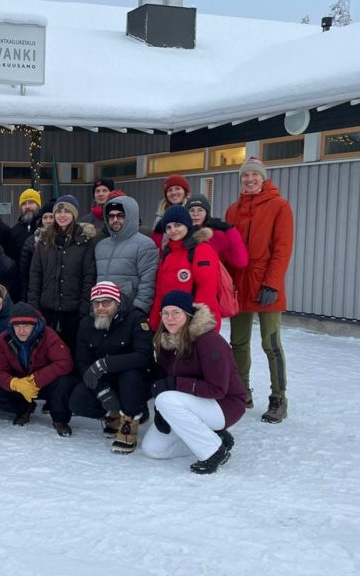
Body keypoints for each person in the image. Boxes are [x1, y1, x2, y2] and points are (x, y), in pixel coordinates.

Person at [141, 291, 246, 474]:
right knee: (153, 449)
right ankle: (214, 438)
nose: (170, 318)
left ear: (188, 314)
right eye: (165, 313)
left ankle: (213, 452)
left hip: (225, 405)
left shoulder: (209, 341)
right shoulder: (168, 341)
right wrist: (160, 410)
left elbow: (218, 389)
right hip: (192, 403)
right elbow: (164, 379)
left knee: (167, 399)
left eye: (176, 313)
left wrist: (173, 386)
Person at [225, 156, 294, 423]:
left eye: (254, 176)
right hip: (240, 285)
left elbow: (282, 249)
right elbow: (230, 250)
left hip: (266, 285)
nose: (250, 180)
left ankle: (278, 397)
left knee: (271, 343)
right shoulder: (233, 210)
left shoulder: (280, 207)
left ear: (263, 179)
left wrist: (272, 284)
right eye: (245, 176)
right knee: (238, 343)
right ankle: (242, 392)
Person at [68, 282, 153, 453]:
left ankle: (130, 420)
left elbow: (144, 356)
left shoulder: (136, 319)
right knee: (77, 401)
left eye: (106, 302)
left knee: (131, 377)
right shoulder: (86, 324)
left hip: (133, 378)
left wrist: (105, 364)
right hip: (105, 379)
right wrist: (102, 390)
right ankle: (114, 414)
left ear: (118, 302)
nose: (101, 308)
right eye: (96, 303)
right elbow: (82, 362)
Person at [0, 302, 76, 436]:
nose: (22, 331)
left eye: (26, 326)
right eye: (17, 326)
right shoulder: (3, 339)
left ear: (34, 324)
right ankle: (24, 409)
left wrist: (35, 380)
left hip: (45, 383)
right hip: (20, 386)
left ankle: (59, 419)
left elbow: (65, 362)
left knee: (64, 382)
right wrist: (15, 383)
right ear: (11, 325)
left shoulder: (48, 334)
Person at [28, 194, 97, 355]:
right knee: (47, 351)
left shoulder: (84, 242)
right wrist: (34, 306)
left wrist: (84, 307)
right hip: (47, 309)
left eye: (67, 211)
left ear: (74, 214)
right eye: (59, 212)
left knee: (72, 351)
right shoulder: (44, 240)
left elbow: (89, 276)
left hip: (73, 311)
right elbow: (35, 275)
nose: (62, 215)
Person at [149, 205, 221, 332]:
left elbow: (207, 291)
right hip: (170, 323)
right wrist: (154, 323)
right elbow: (160, 292)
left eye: (177, 225)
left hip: (193, 324)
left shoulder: (201, 250)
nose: (173, 230)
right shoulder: (168, 253)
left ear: (187, 225)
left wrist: (197, 327)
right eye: (168, 227)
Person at [94, 194, 158, 315]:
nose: (115, 220)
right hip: (103, 310)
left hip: (129, 311)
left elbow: (148, 282)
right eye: (111, 216)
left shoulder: (145, 244)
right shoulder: (100, 246)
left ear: (131, 217)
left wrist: (139, 310)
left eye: (120, 216)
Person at [185, 193, 248, 271]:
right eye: (191, 210)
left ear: (206, 213)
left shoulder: (216, 235)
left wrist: (230, 230)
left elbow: (241, 262)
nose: (195, 214)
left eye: (200, 210)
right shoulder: (180, 234)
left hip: (211, 279)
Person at [18, 201, 55, 301]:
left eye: (52, 217)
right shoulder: (31, 241)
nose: (48, 221)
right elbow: (25, 275)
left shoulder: (65, 240)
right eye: (45, 217)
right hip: (37, 293)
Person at [7, 187, 42, 263]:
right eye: (24, 204)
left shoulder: (44, 227)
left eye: (31, 203)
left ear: (38, 205)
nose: (27, 206)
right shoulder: (14, 231)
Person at [151, 174, 191, 240]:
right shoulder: (159, 219)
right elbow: (155, 243)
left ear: (185, 192)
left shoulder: (193, 214)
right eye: (170, 190)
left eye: (177, 188)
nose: (174, 192)